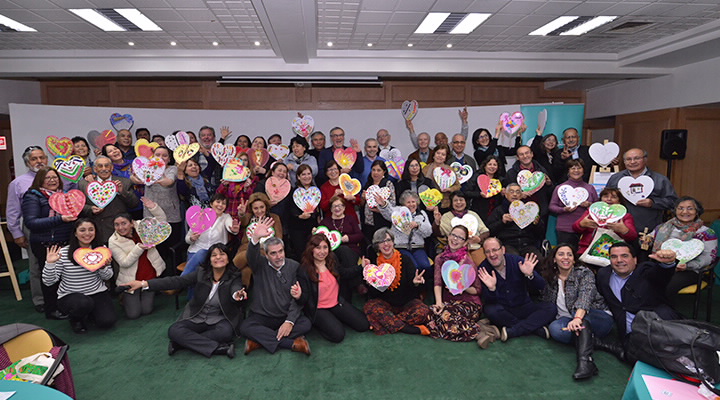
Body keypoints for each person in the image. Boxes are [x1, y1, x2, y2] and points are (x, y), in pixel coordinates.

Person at [122, 243, 246, 358]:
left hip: (219, 318)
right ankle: (219, 348)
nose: (218, 257)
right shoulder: (201, 273)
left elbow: (236, 289)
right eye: (214, 255)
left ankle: (180, 344)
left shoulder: (234, 275)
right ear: (209, 260)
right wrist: (143, 284)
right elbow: (177, 281)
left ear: (228, 259)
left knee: (225, 333)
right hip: (197, 316)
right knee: (174, 331)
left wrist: (237, 295)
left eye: (222, 254)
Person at [594, 242, 681, 360]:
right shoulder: (603, 275)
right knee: (640, 358)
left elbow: (661, 274)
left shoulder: (646, 271)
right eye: (614, 257)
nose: (619, 260)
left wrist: (667, 263)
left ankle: (617, 350)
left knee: (669, 357)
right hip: (628, 333)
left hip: (658, 326)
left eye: (624, 256)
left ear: (635, 260)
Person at [539, 245, 614, 380]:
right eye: (561, 254)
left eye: (569, 255)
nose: (566, 258)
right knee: (555, 329)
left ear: (574, 259)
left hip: (597, 316)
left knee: (581, 319)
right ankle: (597, 342)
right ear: (554, 259)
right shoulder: (551, 277)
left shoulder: (584, 273)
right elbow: (545, 300)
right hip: (569, 320)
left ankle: (585, 362)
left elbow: (585, 297)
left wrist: (578, 318)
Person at [240, 217, 312, 355]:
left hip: (284, 315)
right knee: (245, 327)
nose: (278, 256)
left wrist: (289, 321)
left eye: (280, 251)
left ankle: (259, 341)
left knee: (306, 324)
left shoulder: (294, 266)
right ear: (266, 255)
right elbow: (251, 257)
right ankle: (291, 343)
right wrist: (255, 239)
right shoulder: (259, 265)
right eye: (273, 253)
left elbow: (297, 299)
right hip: (262, 316)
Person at [22, 167, 78, 319]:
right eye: (48, 178)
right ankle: (52, 310)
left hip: (65, 241)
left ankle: (64, 306)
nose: (52, 180)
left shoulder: (64, 195)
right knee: (49, 277)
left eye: (55, 177)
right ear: (40, 180)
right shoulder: (33, 196)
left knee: (64, 277)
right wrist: (60, 219)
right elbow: (31, 222)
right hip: (45, 244)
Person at [43, 219, 117, 333]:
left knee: (107, 321)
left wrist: (102, 267)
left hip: (97, 291)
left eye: (91, 230)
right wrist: (50, 264)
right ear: (75, 233)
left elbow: (107, 277)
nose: (87, 234)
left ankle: (91, 313)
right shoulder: (63, 253)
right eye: (82, 230)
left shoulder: (100, 250)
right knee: (83, 303)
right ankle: (76, 319)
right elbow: (48, 282)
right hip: (71, 296)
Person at [430, 225, 499, 347]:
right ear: (448, 236)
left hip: (470, 304)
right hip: (449, 304)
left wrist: (463, 287)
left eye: (460, 238)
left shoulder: (467, 262)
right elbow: (437, 283)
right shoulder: (440, 258)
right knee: (432, 315)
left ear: (465, 242)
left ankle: (478, 333)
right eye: (453, 235)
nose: (455, 239)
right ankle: (481, 327)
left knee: (443, 318)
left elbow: (478, 290)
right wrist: (439, 303)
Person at [478, 237, 556, 341]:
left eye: (495, 250)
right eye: (487, 252)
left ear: (503, 250)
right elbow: (488, 301)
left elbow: (541, 286)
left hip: (524, 306)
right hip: (503, 310)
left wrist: (530, 275)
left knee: (551, 308)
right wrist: (492, 289)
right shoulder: (483, 269)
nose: (492, 254)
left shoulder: (518, 261)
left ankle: (514, 331)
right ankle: (535, 329)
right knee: (490, 311)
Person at [297, 234, 369, 342]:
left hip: (336, 303)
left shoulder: (331, 260)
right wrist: (298, 296)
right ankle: (319, 323)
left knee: (363, 325)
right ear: (311, 249)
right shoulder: (304, 270)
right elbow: (305, 299)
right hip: (319, 308)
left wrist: (361, 267)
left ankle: (334, 318)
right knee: (338, 335)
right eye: (318, 248)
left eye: (325, 247)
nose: (322, 252)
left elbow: (344, 273)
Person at [363, 228, 432, 335]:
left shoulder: (405, 259)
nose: (386, 244)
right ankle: (409, 329)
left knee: (423, 311)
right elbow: (374, 295)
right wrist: (371, 284)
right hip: (385, 304)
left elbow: (414, 291)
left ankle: (386, 322)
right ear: (377, 245)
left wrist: (415, 283)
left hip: (406, 303)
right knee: (370, 307)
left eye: (388, 240)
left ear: (393, 242)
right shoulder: (374, 265)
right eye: (381, 241)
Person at [650, 196, 717, 301]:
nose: (685, 212)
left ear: (697, 212)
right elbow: (649, 240)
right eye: (680, 208)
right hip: (662, 266)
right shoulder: (663, 228)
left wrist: (688, 265)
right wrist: (645, 240)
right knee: (643, 279)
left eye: (690, 208)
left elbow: (709, 257)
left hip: (690, 270)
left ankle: (663, 310)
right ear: (675, 211)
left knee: (667, 284)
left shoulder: (706, 233)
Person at [108, 198, 166, 319]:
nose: (120, 227)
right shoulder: (113, 241)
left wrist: (153, 207)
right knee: (133, 314)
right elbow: (124, 262)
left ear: (131, 223)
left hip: (149, 274)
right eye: (117, 225)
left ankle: (147, 292)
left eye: (124, 223)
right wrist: (139, 248)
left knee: (146, 310)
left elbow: (161, 222)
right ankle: (125, 298)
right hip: (130, 279)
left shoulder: (142, 226)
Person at [7, 146, 49, 312]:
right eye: (34, 159)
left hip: (56, 225)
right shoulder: (17, 183)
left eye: (42, 157)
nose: (39, 161)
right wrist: (16, 233)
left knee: (59, 263)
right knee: (36, 264)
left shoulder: (55, 177)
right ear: (27, 163)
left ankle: (59, 296)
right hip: (33, 227)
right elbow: (12, 211)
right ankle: (40, 300)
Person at [606, 148, 678, 235]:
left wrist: (653, 203)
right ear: (624, 162)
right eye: (628, 159)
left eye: (637, 158)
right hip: (619, 229)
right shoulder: (615, 178)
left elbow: (673, 202)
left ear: (645, 159)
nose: (632, 162)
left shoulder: (660, 179)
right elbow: (605, 200)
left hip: (648, 230)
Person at [78, 156, 139, 244]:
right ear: (95, 169)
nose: (104, 169)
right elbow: (78, 206)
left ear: (112, 167)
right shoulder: (84, 184)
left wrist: (122, 191)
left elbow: (134, 204)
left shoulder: (124, 182)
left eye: (107, 165)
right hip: (95, 232)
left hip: (119, 232)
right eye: (100, 166)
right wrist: (90, 209)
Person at [573, 187, 638, 265]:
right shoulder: (591, 212)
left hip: (613, 256)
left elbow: (633, 236)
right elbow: (575, 228)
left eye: (614, 197)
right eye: (605, 196)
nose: (609, 199)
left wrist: (624, 230)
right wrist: (581, 224)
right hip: (586, 252)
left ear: (619, 201)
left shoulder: (625, 216)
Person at [183, 193, 239, 281]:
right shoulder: (201, 216)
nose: (220, 205)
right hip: (195, 251)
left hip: (215, 253)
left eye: (223, 203)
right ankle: (183, 283)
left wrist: (234, 230)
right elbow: (187, 239)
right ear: (211, 204)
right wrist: (192, 238)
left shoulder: (226, 217)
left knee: (202, 254)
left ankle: (180, 281)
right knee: (196, 272)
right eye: (218, 202)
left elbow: (230, 227)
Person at [233, 192, 283, 287]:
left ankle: (228, 276)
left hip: (265, 250)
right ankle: (241, 290)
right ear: (251, 209)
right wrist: (241, 213)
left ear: (266, 206)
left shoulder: (274, 218)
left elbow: (278, 238)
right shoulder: (248, 217)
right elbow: (243, 221)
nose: (259, 211)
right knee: (246, 270)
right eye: (255, 208)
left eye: (262, 207)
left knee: (248, 262)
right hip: (246, 248)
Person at [376, 190, 433, 273]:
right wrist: (383, 204)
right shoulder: (398, 211)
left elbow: (429, 232)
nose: (411, 204)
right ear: (403, 204)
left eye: (413, 202)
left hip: (417, 247)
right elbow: (388, 212)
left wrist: (418, 225)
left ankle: (423, 281)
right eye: (408, 202)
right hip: (401, 247)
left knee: (425, 266)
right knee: (413, 267)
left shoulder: (422, 214)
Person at [138, 146, 182, 254]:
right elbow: (134, 178)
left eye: (164, 155)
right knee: (155, 250)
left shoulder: (173, 169)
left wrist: (158, 175)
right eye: (157, 155)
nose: (161, 158)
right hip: (151, 214)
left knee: (172, 248)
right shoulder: (146, 169)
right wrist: (138, 178)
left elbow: (169, 181)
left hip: (171, 215)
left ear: (169, 159)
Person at [487, 183, 546, 257]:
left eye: (518, 192)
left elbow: (541, 233)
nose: (515, 194)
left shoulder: (529, 209)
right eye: (511, 192)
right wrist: (502, 222)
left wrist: (537, 224)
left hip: (527, 244)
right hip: (507, 244)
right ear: (506, 195)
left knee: (539, 260)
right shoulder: (499, 210)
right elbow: (489, 231)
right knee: (514, 259)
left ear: (521, 195)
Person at [549, 159, 598, 247]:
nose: (576, 171)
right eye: (573, 168)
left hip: (586, 228)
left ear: (583, 170)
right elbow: (552, 206)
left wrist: (589, 205)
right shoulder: (560, 188)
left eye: (579, 168)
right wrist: (564, 209)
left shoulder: (590, 188)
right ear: (568, 171)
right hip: (565, 228)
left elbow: (598, 207)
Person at [435, 191, 490, 265]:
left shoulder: (473, 214)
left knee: (482, 265)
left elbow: (486, 231)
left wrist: (479, 239)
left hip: (474, 247)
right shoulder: (446, 217)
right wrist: (437, 222)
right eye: (455, 200)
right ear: (451, 203)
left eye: (461, 200)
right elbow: (439, 233)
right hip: (455, 250)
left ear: (466, 202)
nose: (458, 202)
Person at [288, 164, 321, 260]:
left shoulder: (316, 191)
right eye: (303, 174)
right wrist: (299, 216)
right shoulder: (294, 192)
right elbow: (290, 210)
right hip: (298, 228)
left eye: (308, 174)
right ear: (298, 177)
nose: (307, 177)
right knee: (302, 255)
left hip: (312, 227)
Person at [216, 151, 258, 219]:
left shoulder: (253, 179)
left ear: (248, 163)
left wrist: (246, 189)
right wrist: (224, 185)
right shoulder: (229, 177)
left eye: (245, 160)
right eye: (240, 160)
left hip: (244, 214)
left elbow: (252, 198)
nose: (243, 162)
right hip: (228, 213)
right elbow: (218, 195)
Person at [361, 160, 394, 244]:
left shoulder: (387, 184)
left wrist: (379, 210)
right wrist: (363, 198)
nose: (375, 172)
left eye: (379, 170)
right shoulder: (368, 184)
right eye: (373, 170)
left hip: (382, 222)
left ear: (384, 172)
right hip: (368, 223)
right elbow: (361, 205)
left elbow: (392, 204)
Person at [465, 155, 505, 220]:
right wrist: (479, 194)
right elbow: (466, 192)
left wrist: (503, 193)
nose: (492, 167)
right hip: (478, 210)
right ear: (485, 166)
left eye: (495, 165)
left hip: (494, 212)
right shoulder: (477, 177)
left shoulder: (500, 180)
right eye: (490, 164)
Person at [422, 145, 461, 211]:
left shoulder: (450, 170)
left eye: (443, 154)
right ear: (434, 155)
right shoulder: (425, 169)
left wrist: (450, 189)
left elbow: (458, 186)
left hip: (445, 204)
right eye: (438, 153)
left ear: (446, 157)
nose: (440, 156)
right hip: (429, 203)